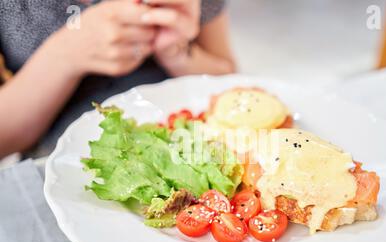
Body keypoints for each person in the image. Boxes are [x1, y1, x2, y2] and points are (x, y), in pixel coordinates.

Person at [0, 0, 235, 159]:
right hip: (56, 165)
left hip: (190, 146)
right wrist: (65, 54)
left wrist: (176, 52)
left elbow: (230, 87)